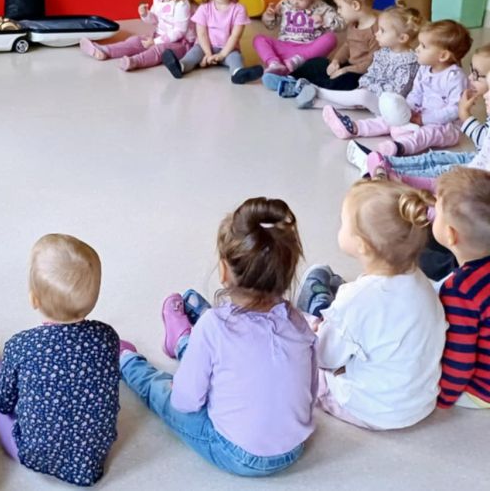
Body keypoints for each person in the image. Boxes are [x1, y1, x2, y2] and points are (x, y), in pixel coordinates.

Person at [118, 198, 315, 477]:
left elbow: (186, 402)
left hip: (236, 452)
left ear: (223, 270)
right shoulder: (297, 319)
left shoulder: (214, 325)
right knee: (222, 361)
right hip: (294, 446)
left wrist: (180, 389)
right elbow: (310, 387)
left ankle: (127, 361)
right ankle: (183, 341)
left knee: (163, 391)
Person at [0, 234, 120, 487]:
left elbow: (4, 402)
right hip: (90, 459)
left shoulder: (22, 345)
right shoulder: (108, 337)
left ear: (34, 299)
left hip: (32, 453)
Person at [295, 179, 446, 429]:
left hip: (369, 409)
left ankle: (316, 305)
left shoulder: (356, 300)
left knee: (299, 341)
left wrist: (315, 333)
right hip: (419, 404)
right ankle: (325, 305)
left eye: (343, 223)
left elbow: (324, 357)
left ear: (362, 246)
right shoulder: (425, 284)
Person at [323, 18, 471, 157]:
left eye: (424, 46)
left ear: (443, 56)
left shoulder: (455, 77)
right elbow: (416, 92)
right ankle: (354, 128)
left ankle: (401, 147)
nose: (417, 49)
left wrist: (424, 119)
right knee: (387, 119)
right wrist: (408, 110)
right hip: (419, 114)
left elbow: (454, 110)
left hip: (445, 125)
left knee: (428, 134)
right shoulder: (425, 68)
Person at [363, 43, 490, 186]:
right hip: (482, 159)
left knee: (448, 171)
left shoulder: (455, 76)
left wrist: (464, 115)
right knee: (439, 157)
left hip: (483, 174)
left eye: (477, 74)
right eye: (471, 70)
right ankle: (390, 162)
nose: (470, 77)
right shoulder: (424, 70)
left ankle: (399, 178)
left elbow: (484, 144)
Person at [431, 167, 490, 409]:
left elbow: (460, 356)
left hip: (482, 389)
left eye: (436, 212)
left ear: (451, 234)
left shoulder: (460, 290)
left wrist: (443, 396)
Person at [290, 2, 420, 111]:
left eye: (383, 31)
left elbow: (397, 92)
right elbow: (371, 73)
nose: (377, 34)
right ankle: (315, 102)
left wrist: (369, 90)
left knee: (361, 96)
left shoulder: (409, 62)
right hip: (371, 94)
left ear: (402, 38)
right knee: (356, 97)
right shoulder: (384, 52)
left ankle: (318, 91)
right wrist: (365, 84)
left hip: (388, 104)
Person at [269, 0, 379, 96]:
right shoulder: (354, 23)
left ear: (355, 5)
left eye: (340, 7)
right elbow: (347, 46)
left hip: (362, 73)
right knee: (318, 62)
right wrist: (336, 61)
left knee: (345, 81)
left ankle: (309, 88)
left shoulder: (377, 31)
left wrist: (344, 70)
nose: (338, 11)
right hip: (348, 66)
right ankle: (290, 78)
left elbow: (371, 64)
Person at [82, 0, 196, 71]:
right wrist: (146, 14)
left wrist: (156, 42)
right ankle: (105, 50)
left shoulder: (182, 5)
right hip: (158, 36)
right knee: (135, 41)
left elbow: (179, 32)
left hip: (181, 44)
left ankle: (135, 61)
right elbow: (155, 20)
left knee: (159, 50)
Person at [233, 0, 343, 84]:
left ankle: (291, 66)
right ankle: (274, 63)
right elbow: (271, 25)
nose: (294, 2)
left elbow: (341, 24)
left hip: (307, 51)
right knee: (258, 39)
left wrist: (324, 20)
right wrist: (270, 16)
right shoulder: (284, 5)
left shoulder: (323, 8)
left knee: (331, 38)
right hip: (284, 47)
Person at [162, 0, 250, 82]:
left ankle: (237, 73)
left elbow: (235, 36)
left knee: (236, 58)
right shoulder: (204, 9)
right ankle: (181, 66)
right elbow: (202, 34)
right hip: (205, 47)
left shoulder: (239, 9)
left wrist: (222, 55)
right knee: (193, 54)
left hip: (228, 49)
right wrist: (208, 54)